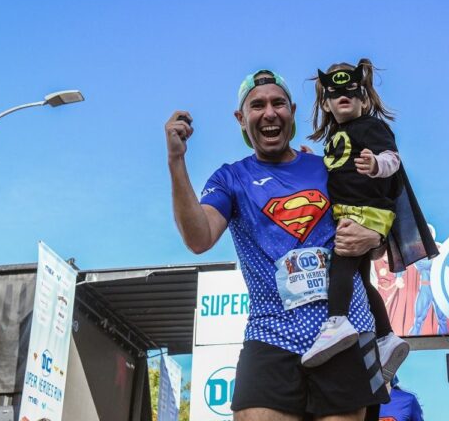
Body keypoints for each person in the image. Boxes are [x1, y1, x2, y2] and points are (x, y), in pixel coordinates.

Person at [165, 69, 388, 420]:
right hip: (271, 333)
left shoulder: (328, 166)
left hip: (342, 330)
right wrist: (176, 160)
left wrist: (375, 236)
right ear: (241, 119)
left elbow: (377, 219)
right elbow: (198, 239)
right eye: (257, 106)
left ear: (292, 111)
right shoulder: (231, 178)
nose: (269, 113)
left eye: (278, 103)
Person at [301, 59, 415, 382]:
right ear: (326, 104)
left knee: (340, 264)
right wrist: (312, 160)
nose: (344, 97)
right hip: (354, 211)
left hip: (364, 212)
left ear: (364, 99)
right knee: (361, 281)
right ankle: (387, 336)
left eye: (351, 91)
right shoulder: (335, 136)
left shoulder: (371, 127)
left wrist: (376, 164)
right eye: (336, 94)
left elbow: (393, 159)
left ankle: (336, 322)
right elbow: (337, 169)